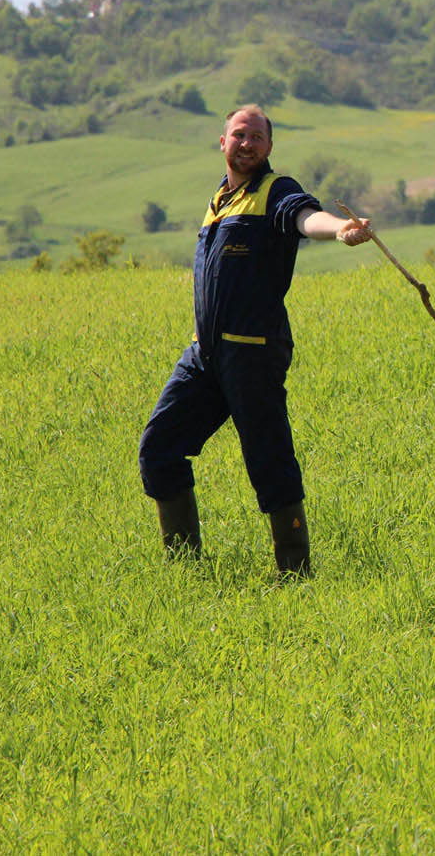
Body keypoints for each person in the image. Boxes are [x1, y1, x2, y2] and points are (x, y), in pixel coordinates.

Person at [137, 104, 371, 576]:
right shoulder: (219, 202)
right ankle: (186, 568)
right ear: (222, 142)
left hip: (253, 352)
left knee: (268, 459)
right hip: (205, 355)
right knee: (159, 448)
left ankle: (296, 572)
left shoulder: (275, 191)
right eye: (239, 135)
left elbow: (305, 217)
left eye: (257, 137)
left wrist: (341, 230)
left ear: (269, 147)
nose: (247, 144)